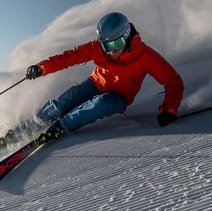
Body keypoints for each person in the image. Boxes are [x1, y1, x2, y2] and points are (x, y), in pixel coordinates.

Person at [16, 12, 184, 141]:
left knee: (98, 105)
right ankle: (32, 124)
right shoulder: (98, 48)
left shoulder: (146, 57)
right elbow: (69, 58)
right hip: (96, 83)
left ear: (127, 36)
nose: (111, 50)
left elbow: (173, 82)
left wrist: (169, 109)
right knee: (63, 103)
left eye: (115, 44)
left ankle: (60, 127)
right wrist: (41, 68)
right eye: (106, 45)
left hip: (120, 96)